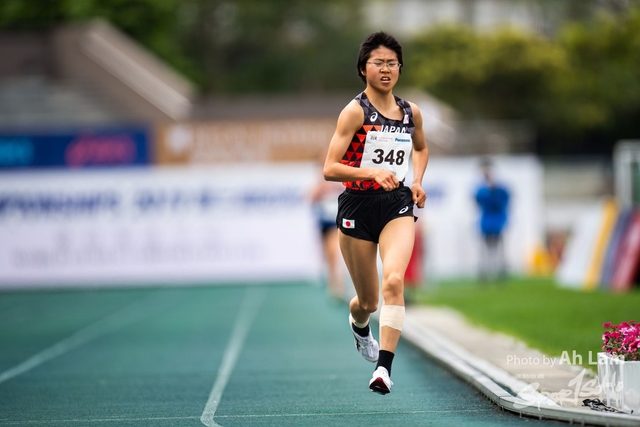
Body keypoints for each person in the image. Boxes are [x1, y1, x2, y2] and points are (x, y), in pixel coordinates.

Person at [323, 31, 429, 395]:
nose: (386, 69)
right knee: (367, 301)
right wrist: (371, 172)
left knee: (394, 282)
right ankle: (359, 325)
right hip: (357, 207)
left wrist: (417, 180)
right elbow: (330, 168)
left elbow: (421, 148)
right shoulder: (354, 112)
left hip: (397, 203)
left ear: (400, 68)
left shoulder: (410, 112)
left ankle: (383, 369)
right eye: (378, 63)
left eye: (392, 63)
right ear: (363, 69)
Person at [310, 154, 345, 299]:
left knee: (333, 251)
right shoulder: (319, 177)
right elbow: (311, 197)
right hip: (323, 219)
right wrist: (322, 189)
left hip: (335, 218)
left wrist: (335, 187)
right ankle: (331, 278)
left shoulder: (341, 174)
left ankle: (338, 282)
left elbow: (348, 190)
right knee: (326, 253)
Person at [474, 158, 510, 282]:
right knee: (486, 251)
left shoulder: (500, 190)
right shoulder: (482, 190)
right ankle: (485, 273)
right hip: (487, 224)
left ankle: (500, 272)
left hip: (497, 223)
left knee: (498, 250)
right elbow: (478, 200)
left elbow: (503, 203)